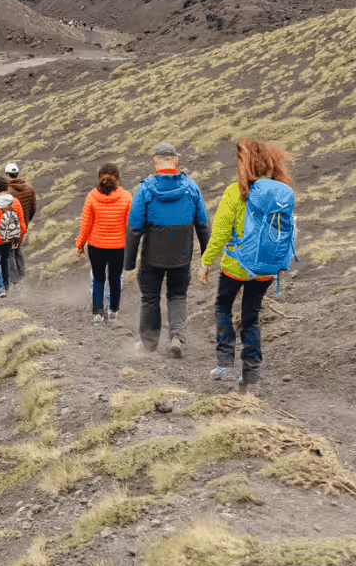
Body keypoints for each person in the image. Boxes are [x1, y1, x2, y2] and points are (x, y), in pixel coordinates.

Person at [200, 140, 296, 392]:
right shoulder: (281, 193)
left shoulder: (236, 192)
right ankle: (251, 373)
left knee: (222, 307)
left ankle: (225, 364)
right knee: (251, 317)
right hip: (266, 268)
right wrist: (281, 263)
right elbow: (288, 230)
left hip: (236, 265)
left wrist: (206, 262)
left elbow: (220, 233)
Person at [124, 142, 209, 356]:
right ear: (176, 161)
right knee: (177, 295)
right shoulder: (191, 188)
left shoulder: (145, 189)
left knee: (150, 296)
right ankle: (177, 338)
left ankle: (149, 343)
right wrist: (206, 258)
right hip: (181, 256)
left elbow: (134, 229)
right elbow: (203, 225)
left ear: (155, 162)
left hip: (153, 256)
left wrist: (129, 262)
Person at [75, 162, 131, 326]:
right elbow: (130, 226)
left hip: (96, 246)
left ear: (99, 177)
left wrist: (80, 245)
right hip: (119, 247)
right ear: (118, 178)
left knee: (98, 278)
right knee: (115, 279)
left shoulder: (92, 196)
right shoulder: (127, 197)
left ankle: (97, 313)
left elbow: (86, 224)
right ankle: (113, 311)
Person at [3, 162, 37, 284]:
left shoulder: (7, 192)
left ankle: (15, 280)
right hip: (23, 225)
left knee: (9, 251)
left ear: (7, 175)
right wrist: (27, 220)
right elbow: (33, 208)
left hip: (9, 225)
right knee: (18, 248)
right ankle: (22, 275)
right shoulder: (29, 190)